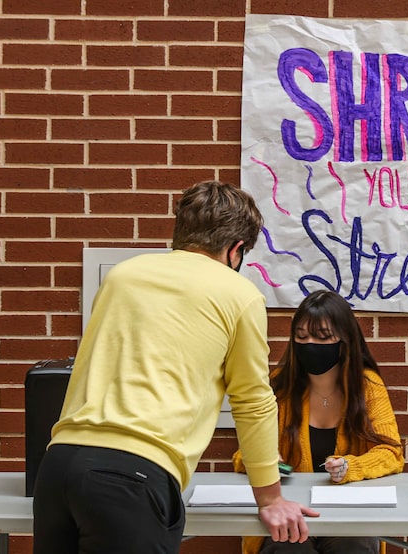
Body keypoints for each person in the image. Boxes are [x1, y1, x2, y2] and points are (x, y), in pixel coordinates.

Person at [32, 181, 319, 554]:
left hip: (58, 465)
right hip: (133, 473)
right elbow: (252, 401)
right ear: (235, 250)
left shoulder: (122, 276)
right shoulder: (239, 294)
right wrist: (269, 499)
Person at [233, 290, 404, 554]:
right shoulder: (279, 384)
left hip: (348, 513)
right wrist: (266, 461)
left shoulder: (367, 385)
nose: (310, 343)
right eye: (301, 336)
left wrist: (351, 467)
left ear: (345, 339)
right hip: (290, 510)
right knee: (288, 549)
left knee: (354, 545)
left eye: (322, 337)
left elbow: (391, 452)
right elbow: (243, 454)